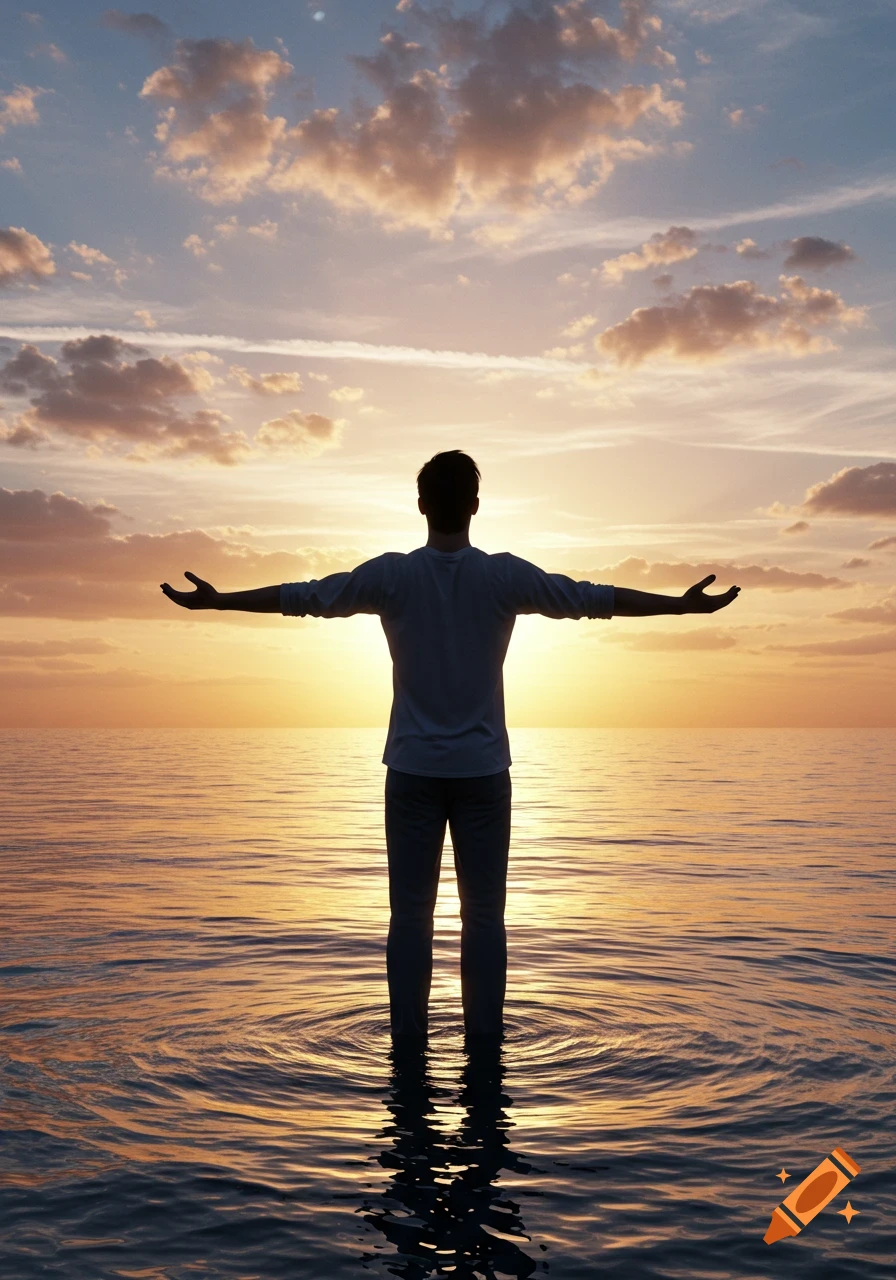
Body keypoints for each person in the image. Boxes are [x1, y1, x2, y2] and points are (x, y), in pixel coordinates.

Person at [161, 449, 740, 1042]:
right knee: (485, 917)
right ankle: (484, 1047)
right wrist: (679, 605)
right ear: (475, 507)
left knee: (409, 918)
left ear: (421, 507)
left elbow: (307, 596)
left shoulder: (393, 575)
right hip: (483, 773)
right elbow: (590, 599)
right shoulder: (502, 575)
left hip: (411, 769)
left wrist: (220, 599)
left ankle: (408, 1048)